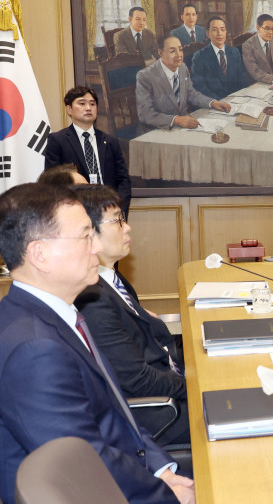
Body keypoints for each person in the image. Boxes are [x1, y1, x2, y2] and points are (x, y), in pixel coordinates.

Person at [0, 183, 193, 504]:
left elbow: (116, 416)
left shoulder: (59, 313)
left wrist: (163, 470)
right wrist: (166, 493)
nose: (95, 248)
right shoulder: (33, 349)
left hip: (120, 474)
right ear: (39, 254)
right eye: (85, 237)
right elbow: (84, 465)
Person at [73, 185, 191, 445]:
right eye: (117, 220)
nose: (127, 228)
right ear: (88, 234)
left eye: (123, 219)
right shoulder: (93, 298)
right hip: (157, 416)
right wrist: (195, 386)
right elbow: (136, 379)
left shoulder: (111, 278)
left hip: (167, 384)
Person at [45, 86, 132, 214]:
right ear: (69, 109)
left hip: (109, 210)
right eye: (82, 103)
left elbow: (123, 180)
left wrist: (120, 210)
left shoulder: (110, 141)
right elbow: (52, 183)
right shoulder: (58, 140)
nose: (88, 108)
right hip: (76, 211)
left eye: (92, 104)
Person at [136, 35, 231, 133]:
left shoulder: (182, 68)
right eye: (172, 51)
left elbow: (191, 93)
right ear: (161, 53)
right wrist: (176, 120)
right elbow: (145, 114)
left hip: (182, 126)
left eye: (180, 49)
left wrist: (212, 103)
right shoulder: (145, 76)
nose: (179, 55)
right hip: (157, 130)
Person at [191, 16, 251, 100]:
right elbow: (200, 87)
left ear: (226, 32)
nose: (219, 33)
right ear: (208, 33)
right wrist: (219, 102)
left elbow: (243, 79)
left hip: (236, 100)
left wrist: (242, 97)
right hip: (214, 103)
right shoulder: (199, 56)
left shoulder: (234, 52)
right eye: (215, 30)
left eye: (222, 29)